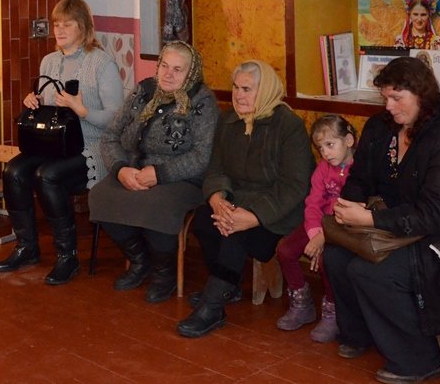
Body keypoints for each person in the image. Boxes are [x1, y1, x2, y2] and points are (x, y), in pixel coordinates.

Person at [324, 56, 440, 384]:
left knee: (370, 271)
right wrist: (351, 204)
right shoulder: (381, 127)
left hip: (438, 235)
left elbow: (435, 213)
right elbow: (360, 177)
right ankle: (361, 333)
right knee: (336, 256)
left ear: (421, 94)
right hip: (387, 224)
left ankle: (419, 359)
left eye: (396, 98)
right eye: (385, 98)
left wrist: (370, 218)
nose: (389, 106)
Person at [177, 61, 314, 338]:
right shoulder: (229, 120)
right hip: (237, 201)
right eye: (236, 88)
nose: (239, 95)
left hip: (277, 212)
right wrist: (217, 199)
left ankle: (213, 306)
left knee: (235, 235)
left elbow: (295, 185)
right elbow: (216, 169)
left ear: (265, 90)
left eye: (247, 89)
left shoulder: (288, 126)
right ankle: (228, 286)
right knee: (204, 221)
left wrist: (253, 217)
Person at [0, 0, 124, 285]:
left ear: (83, 27)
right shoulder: (49, 61)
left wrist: (82, 110)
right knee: (13, 171)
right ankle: (26, 247)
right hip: (53, 143)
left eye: (67, 24)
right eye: (56, 24)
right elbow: (48, 107)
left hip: (92, 145)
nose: (60, 30)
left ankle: (68, 256)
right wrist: (34, 101)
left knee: (47, 175)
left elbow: (117, 120)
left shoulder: (101, 63)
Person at [89, 41, 219, 303]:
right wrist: (120, 169)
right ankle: (140, 260)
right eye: (164, 66)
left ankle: (164, 274)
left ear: (191, 73)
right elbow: (111, 136)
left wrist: (159, 174)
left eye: (178, 70)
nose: (168, 74)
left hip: (181, 179)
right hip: (132, 170)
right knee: (100, 196)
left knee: (157, 205)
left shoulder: (202, 102)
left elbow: (202, 157)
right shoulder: (143, 91)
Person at [274, 114, 356, 342]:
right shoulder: (322, 169)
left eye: (330, 144)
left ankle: (332, 311)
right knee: (285, 250)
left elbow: (349, 212)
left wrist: (323, 238)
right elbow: (312, 203)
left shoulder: (359, 171)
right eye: (321, 148)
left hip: (343, 230)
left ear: (348, 140)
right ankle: (302, 303)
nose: (325, 153)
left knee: (325, 261)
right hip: (317, 225)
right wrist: (315, 233)